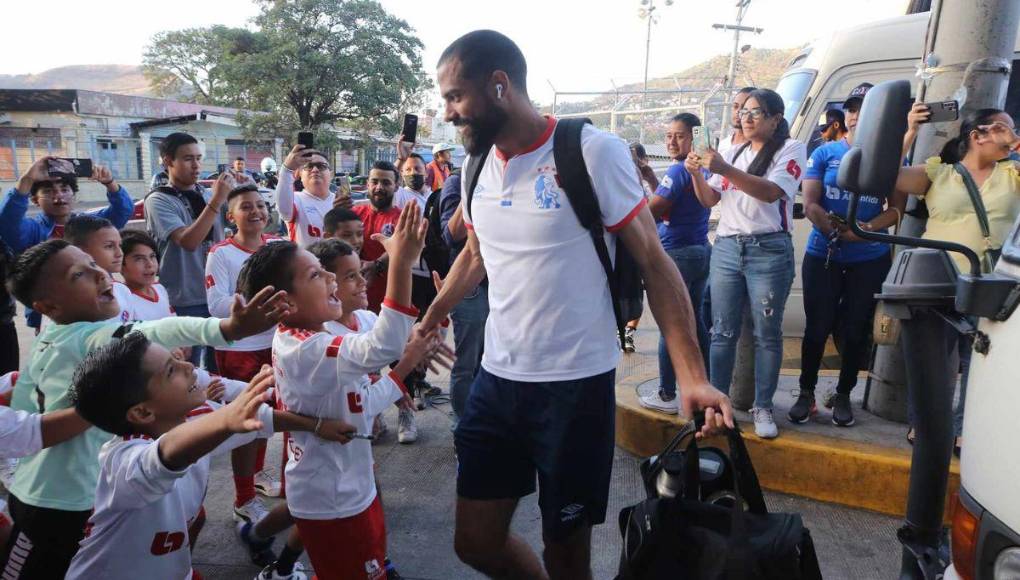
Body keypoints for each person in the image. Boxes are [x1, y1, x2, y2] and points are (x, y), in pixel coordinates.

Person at [422, 30, 731, 580]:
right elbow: (477, 252)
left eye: (454, 97)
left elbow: (656, 264)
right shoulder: (475, 169)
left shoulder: (590, 151)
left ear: (498, 86)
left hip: (575, 388)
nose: (447, 113)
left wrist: (691, 376)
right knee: (475, 541)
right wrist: (429, 318)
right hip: (497, 383)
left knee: (566, 551)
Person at [0, 239, 288, 579]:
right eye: (80, 274)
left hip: (75, 494)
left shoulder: (59, 339)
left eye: (95, 264)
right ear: (48, 305)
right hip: (53, 503)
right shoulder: (85, 337)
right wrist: (225, 328)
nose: (101, 274)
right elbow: (154, 331)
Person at [241, 203, 436, 580]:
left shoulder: (318, 333)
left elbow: (362, 405)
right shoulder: (310, 347)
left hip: (349, 485)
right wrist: (401, 262)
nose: (333, 282)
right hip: (331, 496)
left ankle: (278, 562)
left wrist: (418, 344)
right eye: (318, 275)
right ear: (286, 302)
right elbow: (385, 346)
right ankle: (269, 551)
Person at [64, 338, 352, 580]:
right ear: (142, 413)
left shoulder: (197, 420)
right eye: (171, 371)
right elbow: (163, 457)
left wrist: (316, 425)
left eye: (178, 360)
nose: (190, 367)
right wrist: (225, 419)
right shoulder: (122, 462)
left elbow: (261, 420)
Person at [894, 107, 1020, 451]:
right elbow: (884, 176)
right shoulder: (940, 174)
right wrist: (909, 132)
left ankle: (965, 429)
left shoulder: (1013, 175)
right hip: (939, 281)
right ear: (976, 136)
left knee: (980, 362)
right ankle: (925, 424)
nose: (1009, 136)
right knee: (934, 360)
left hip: (994, 285)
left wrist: (1015, 141)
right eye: (1001, 129)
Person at [687, 88, 806, 440]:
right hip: (727, 247)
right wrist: (696, 172)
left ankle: (763, 407)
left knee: (766, 334)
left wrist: (722, 167)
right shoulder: (728, 148)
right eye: (744, 112)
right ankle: (715, 405)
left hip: (768, 249)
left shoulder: (791, 149)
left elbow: (771, 192)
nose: (747, 117)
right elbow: (710, 198)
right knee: (721, 332)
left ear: (775, 119)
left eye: (757, 112)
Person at [793, 84, 907, 428]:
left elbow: (897, 210)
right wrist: (832, 230)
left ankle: (844, 395)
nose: (857, 115)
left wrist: (865, 229)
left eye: (866, 108)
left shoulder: (893, 157)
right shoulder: (825, 153)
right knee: (816, 328)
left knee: (856, 332)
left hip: (869, 257)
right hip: (823, 255)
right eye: (853, 108)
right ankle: (806, 393)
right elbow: (811, 203)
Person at [206, 184, 284, 522]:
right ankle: (244, 497)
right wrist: (264, 302)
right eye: (246, 207)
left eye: (260, 205)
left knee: (270, 417)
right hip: (240, 349)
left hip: (276, 345)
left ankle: (258, 474)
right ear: (231, 216)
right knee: (247, 420)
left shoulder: (279, 247)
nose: (256, 212)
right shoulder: (220, 254)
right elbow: (217, 305)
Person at [0, 157, 132, 332]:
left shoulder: (89, 224)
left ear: (74, 195)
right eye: (48, 191)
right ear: (34, 200)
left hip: (99, 305)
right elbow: (7, 221)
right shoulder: (32, 230)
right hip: (54, 316)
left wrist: (109, 182)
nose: (58, 196)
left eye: (64, 189)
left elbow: (122, 211)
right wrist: (27, 179)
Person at [639, 113, 712, 415]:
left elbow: (653, 211)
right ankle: (703, 381)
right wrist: (651, 179)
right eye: (668, 135)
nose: (671, 141)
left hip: (676, 255)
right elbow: (674, 200)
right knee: (694, 322)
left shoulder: (679, 169)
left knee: (671, 325)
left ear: (694, 137)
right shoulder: (700, 168)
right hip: (699, 250)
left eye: (679, 136)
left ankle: (667, 392)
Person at [144, 132, 230, 370]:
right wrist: (217, 200)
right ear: (168, 161)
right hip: (184, 297)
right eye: (188, 159)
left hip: (216, 294)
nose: (196, 165)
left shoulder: (205, 194)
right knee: (183, 368)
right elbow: (188, 241)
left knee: (219, 367)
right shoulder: (159, 200)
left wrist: (240, 193)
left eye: (198, 158)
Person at [438, 173, 489, 426]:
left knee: (495, 361)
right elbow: (451, 234)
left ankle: (487, 422)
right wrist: (473, 185)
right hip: (471, 287)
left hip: (505, 286)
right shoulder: (457, 181)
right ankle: (463, 427)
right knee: (467, 362)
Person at [57, 215, 133, 329]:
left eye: (120, 245)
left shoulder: (122, 291)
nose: (120, 253)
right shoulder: (66, 299)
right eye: (109, 246)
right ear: (79, 251)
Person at [353, 161, 403, 314]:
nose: (379, 187)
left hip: (389, 299)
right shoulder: (354, 213)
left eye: (386, 183)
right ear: (367, 184)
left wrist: (377, 265)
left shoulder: (403, 218)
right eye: (374, 182)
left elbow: (404, 247)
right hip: (354, 299)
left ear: (396, 186)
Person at [276, 145, 335, 247]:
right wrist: (287, 169)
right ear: (299, 174)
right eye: (309, 166)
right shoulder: (295, 200)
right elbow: (284, 210)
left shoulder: (341, 201)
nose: (315, 170)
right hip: (305, 263)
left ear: (331, 174)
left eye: (321, 166)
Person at [119, 231, 175, 322]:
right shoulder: (123, 302)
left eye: (152, 256)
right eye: (139, 259)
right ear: (120, 265)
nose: (149, 264)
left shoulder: (159, 289)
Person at [717, 86, 757, 153]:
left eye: (744, 108)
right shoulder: (723, 144)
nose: (738, 111)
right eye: (735, 106)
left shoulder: (756, 147)